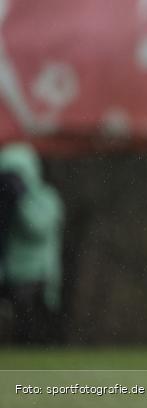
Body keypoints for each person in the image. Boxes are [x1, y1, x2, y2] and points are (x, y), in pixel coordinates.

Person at [0, 142, 63, 344]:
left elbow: (37, 227)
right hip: (7, 274)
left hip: (34, 275)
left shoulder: (45, 198)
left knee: (29, 329)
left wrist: (21, 199)